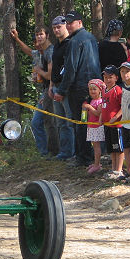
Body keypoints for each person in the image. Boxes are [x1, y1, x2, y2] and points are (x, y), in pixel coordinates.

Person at [53, 10, 101, 167]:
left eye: (71, 22)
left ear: (79, 22)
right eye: (66, 22)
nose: (68, 25)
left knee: (80, 122)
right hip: (93, 86)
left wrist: (61, 90)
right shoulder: (91, 38)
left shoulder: (75, 41)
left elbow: (71, 68)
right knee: (90, 121)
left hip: (80, 88)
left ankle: (83, 157)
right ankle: (91, 154)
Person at [11, 25, 57, 157]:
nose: (37, 44)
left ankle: (56, 151)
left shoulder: (51, 52)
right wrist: (17, 39)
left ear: (46, 36)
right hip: (45, 91)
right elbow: (28, 51)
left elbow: (50, 75)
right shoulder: (37, 54)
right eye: (36, 39)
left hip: (53, 90)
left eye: (40, 36)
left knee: (53, 122)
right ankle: (45, 152)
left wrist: (39, 72)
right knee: (38, 123)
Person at [48, 15, 75, 161]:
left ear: (66, 26)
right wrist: (51, 85)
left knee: (70, 122)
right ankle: (65, 152)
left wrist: (63, 90)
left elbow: (69, 69)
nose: (57, 30)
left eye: (59, 27)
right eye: (54, 28)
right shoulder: (57, 45)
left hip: (67, 88)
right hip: (56, 86)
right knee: (60, 122)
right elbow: (54, 67)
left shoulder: (70, 43)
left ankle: (72, 153)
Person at [101, 65, 124, 180]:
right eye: (105, 77)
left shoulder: (117, 90)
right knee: (111, 148)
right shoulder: (104, 90)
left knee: (118, 148)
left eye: (110, 77)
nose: (108, 80)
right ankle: (113, 168)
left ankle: (119, 170)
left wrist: (116, 117)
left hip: (116, 125)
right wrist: (101, 118)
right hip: (106, 124)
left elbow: (123, 106)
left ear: (116, 78)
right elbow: (103, 106)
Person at [82, 79, 105, 174]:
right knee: (94, 145)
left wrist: (89, 107)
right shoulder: (92, 101)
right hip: (91, 126)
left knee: (96, 146)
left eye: (94, 89)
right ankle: (96, 162)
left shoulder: (100, 101)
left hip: (97, 127)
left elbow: (97, 113)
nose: (92, 91)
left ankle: (97, 164)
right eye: (90, 89)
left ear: (100, 90)